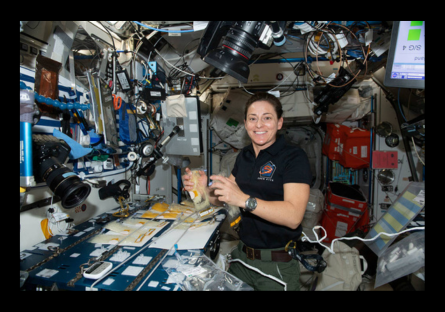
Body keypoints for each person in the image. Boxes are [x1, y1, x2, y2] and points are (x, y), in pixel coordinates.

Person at [182, 92, 312, 291]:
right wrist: (199, 189)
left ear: (279, 123)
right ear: (245, 123)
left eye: (267, 118)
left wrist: (244, 199)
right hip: (242, 259)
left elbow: (294, 215)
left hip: (276, 264)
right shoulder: (245, 156)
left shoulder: (293, 157)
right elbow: (225, 198)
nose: (259, 125)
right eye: (253, 118)